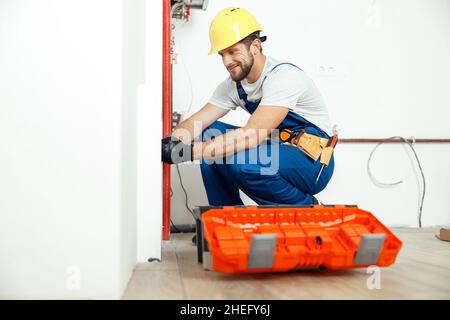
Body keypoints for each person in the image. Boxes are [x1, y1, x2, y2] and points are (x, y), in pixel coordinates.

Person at [162, 7, 335, 207]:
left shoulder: (283, 77)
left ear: (255, 46)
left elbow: (252, 135)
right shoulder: (234, 85)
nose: (226, 61)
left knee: (244, 163)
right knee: (208, 132)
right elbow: (196, 123)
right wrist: (173, 143)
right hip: (279, 148)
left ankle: (307, 207)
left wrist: (185, 153)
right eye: (222, 54)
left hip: (313, 162)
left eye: (232, 51)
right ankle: (226, 217)